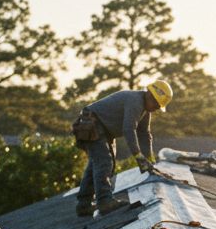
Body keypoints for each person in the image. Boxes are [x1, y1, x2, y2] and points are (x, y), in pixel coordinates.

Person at [73, 81, 172, 217]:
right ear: (150, 94)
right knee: (104, 162)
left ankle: (84, 205)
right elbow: (128, 129)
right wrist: (138, 156)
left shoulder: (145, 110)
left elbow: (144, 134)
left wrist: (150, 161)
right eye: (156, 104)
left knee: (97, 164)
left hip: (103, 129)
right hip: (91, 123)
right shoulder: (135, 101)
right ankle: (104, 202)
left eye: (158, 106)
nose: (156, 108)